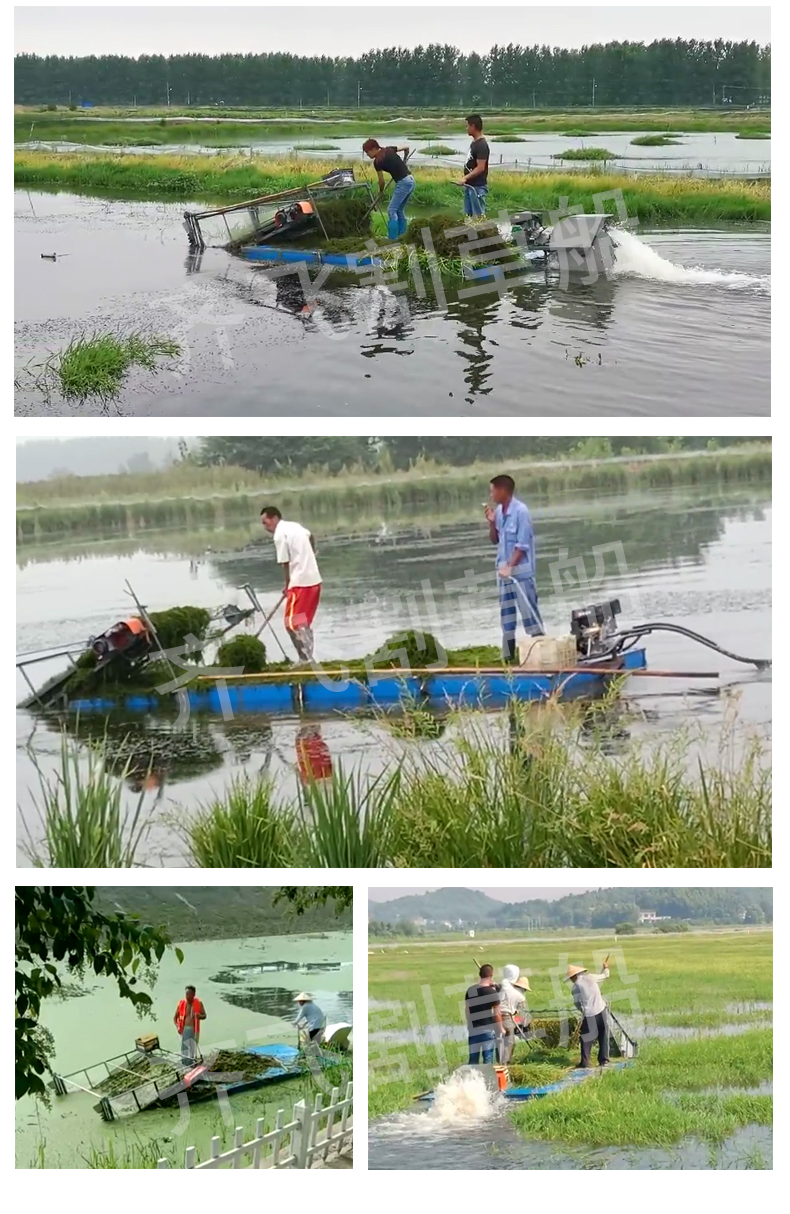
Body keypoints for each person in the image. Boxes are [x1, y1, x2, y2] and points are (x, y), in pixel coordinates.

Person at [484, 474, 544, 662]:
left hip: (521, 572)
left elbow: (522, 545)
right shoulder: (500, 512)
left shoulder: (521, 512)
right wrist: (492, 523)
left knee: (529, 614)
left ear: (503, 490)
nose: (491, 494)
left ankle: (541, 652)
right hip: (503, 572)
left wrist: (511, 567)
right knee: (507, 616)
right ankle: (508, 658)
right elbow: (495, 540)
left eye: (493, 490)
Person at [260, 506, 322, 663]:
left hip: (300, 583)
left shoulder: (280, 535)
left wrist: (287, 586)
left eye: (265, 522)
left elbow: (285, 563)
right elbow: (311, 537)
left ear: (274, 518)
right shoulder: (295, 526)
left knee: (291, 623)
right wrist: (312, 555)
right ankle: (308, 657)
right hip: (314, 580)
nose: (265, 527)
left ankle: (305, 659)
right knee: (301, 622)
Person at [362, 138, 415, 240]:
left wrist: (381, 192)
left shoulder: (377, 162)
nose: (367, 155)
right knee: (399, 210)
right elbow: (406, 147)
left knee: (391, 210)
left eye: (367, 152)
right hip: (411, 180)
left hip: (403, 182)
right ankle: (402, 236)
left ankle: (392, 239)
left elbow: (381, 181)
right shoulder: (389, 149)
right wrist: (404, 158)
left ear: (373, 149)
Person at [565, 960, 611, 1068]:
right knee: (603, 1036)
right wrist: (606, 967)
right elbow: (605, 975)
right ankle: (604, 1060)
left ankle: (585, 1062)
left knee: (586, 1038)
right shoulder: (591, 977)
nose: (571, 980)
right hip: (602, 1010)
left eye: (571, 978)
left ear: (575, 976)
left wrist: (583, 1011)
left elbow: (577, 1003)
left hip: (590, 1014)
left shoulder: (576, 986)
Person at [464, 964, 502, 1065]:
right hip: (488, 1029)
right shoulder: (492, 993)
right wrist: (501, 1028)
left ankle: (472, 1079)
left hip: (473, 1029)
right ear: (491, 975)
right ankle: (486, 1080)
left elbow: (467, 1010)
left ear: (480, 974)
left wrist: (469, 1025)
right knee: (488, 1060)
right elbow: (497, 1014)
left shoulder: (470, 990)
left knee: (473, 1060)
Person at [458, 114, 490, 217]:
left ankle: (481, 232)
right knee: (468, 216)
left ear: (473, 126)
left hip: (477, 186)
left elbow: (481, 168)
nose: (466, 128)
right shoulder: (474, 143)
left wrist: (465, 178)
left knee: (478, 217)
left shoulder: (482, 145)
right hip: (470, 185)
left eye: (467, 126)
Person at [498, 965, 531, 1064]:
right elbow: (520, 1011)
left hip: (494, 1018)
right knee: (509, 1041)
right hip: (506, 1018)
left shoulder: (498, 987)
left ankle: (500, 1062)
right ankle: (505, 1064)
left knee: (499, 1041)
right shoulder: (519, 996)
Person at [174, 985, 206, 1064]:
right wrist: (177, 1026)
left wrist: (199, 1016)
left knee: (193, 1047)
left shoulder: (199, 1003)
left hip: (194, 1029)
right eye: (186, 994)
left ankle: (192, 1063)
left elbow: (205, 1015)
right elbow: (175, 1018)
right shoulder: (181, 1004)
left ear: (194, 994)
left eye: (190, 994)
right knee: (184, 1048)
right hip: (184, 1029)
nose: (188, 996)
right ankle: (184, 1064)